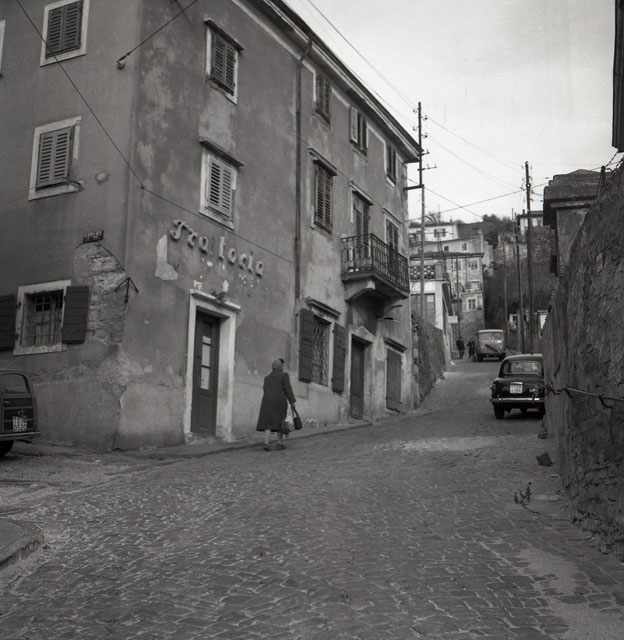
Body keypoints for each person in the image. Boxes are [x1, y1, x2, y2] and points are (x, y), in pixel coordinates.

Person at [256, 358, 296, 451]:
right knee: (280, 421)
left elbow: (265, 389)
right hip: (279, 401)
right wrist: (292, 402)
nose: (283, 367)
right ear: (280, 367)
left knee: (268, 422)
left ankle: (266, 442)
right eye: (282, 366)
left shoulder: (267, 378)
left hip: (267, 402)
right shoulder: (284, 375)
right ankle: (279, 443)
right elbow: (288, 389)